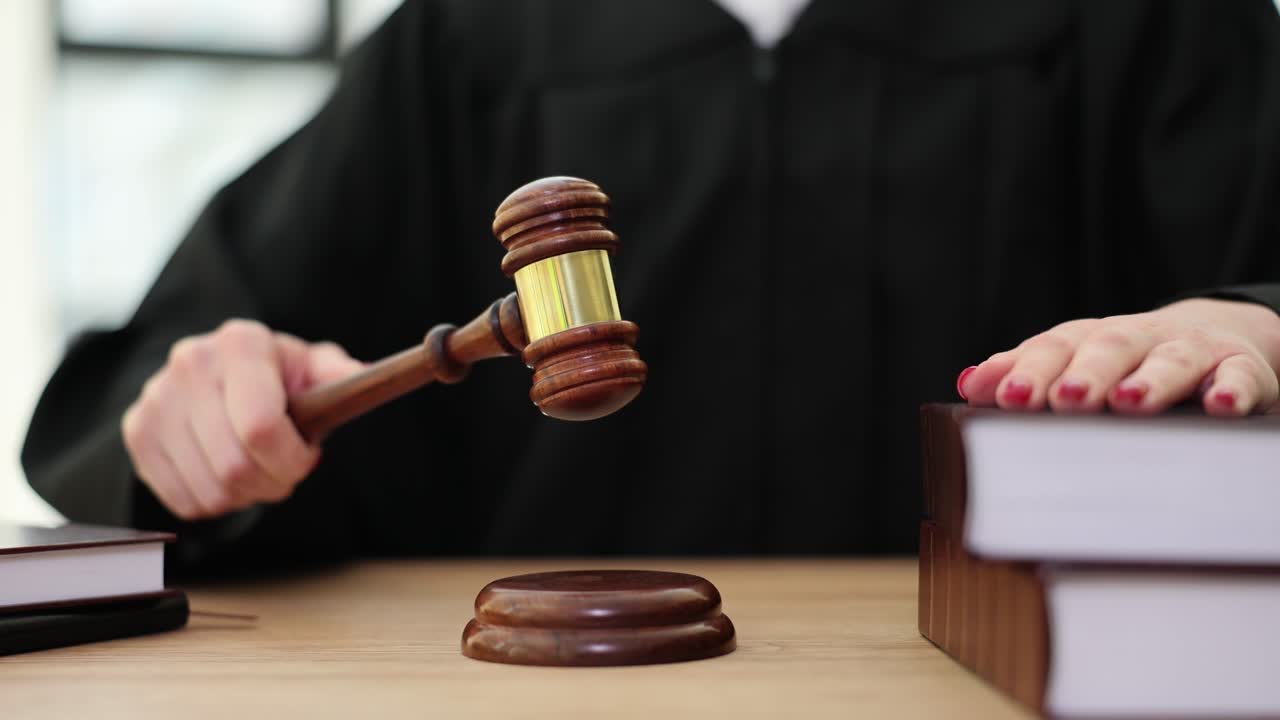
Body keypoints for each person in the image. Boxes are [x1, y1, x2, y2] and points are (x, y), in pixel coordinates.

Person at [22, 0, 1280, 573]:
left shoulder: (1143, 21)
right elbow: (177, 367)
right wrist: (210, 412)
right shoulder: (468, 37)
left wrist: (1255, 322)